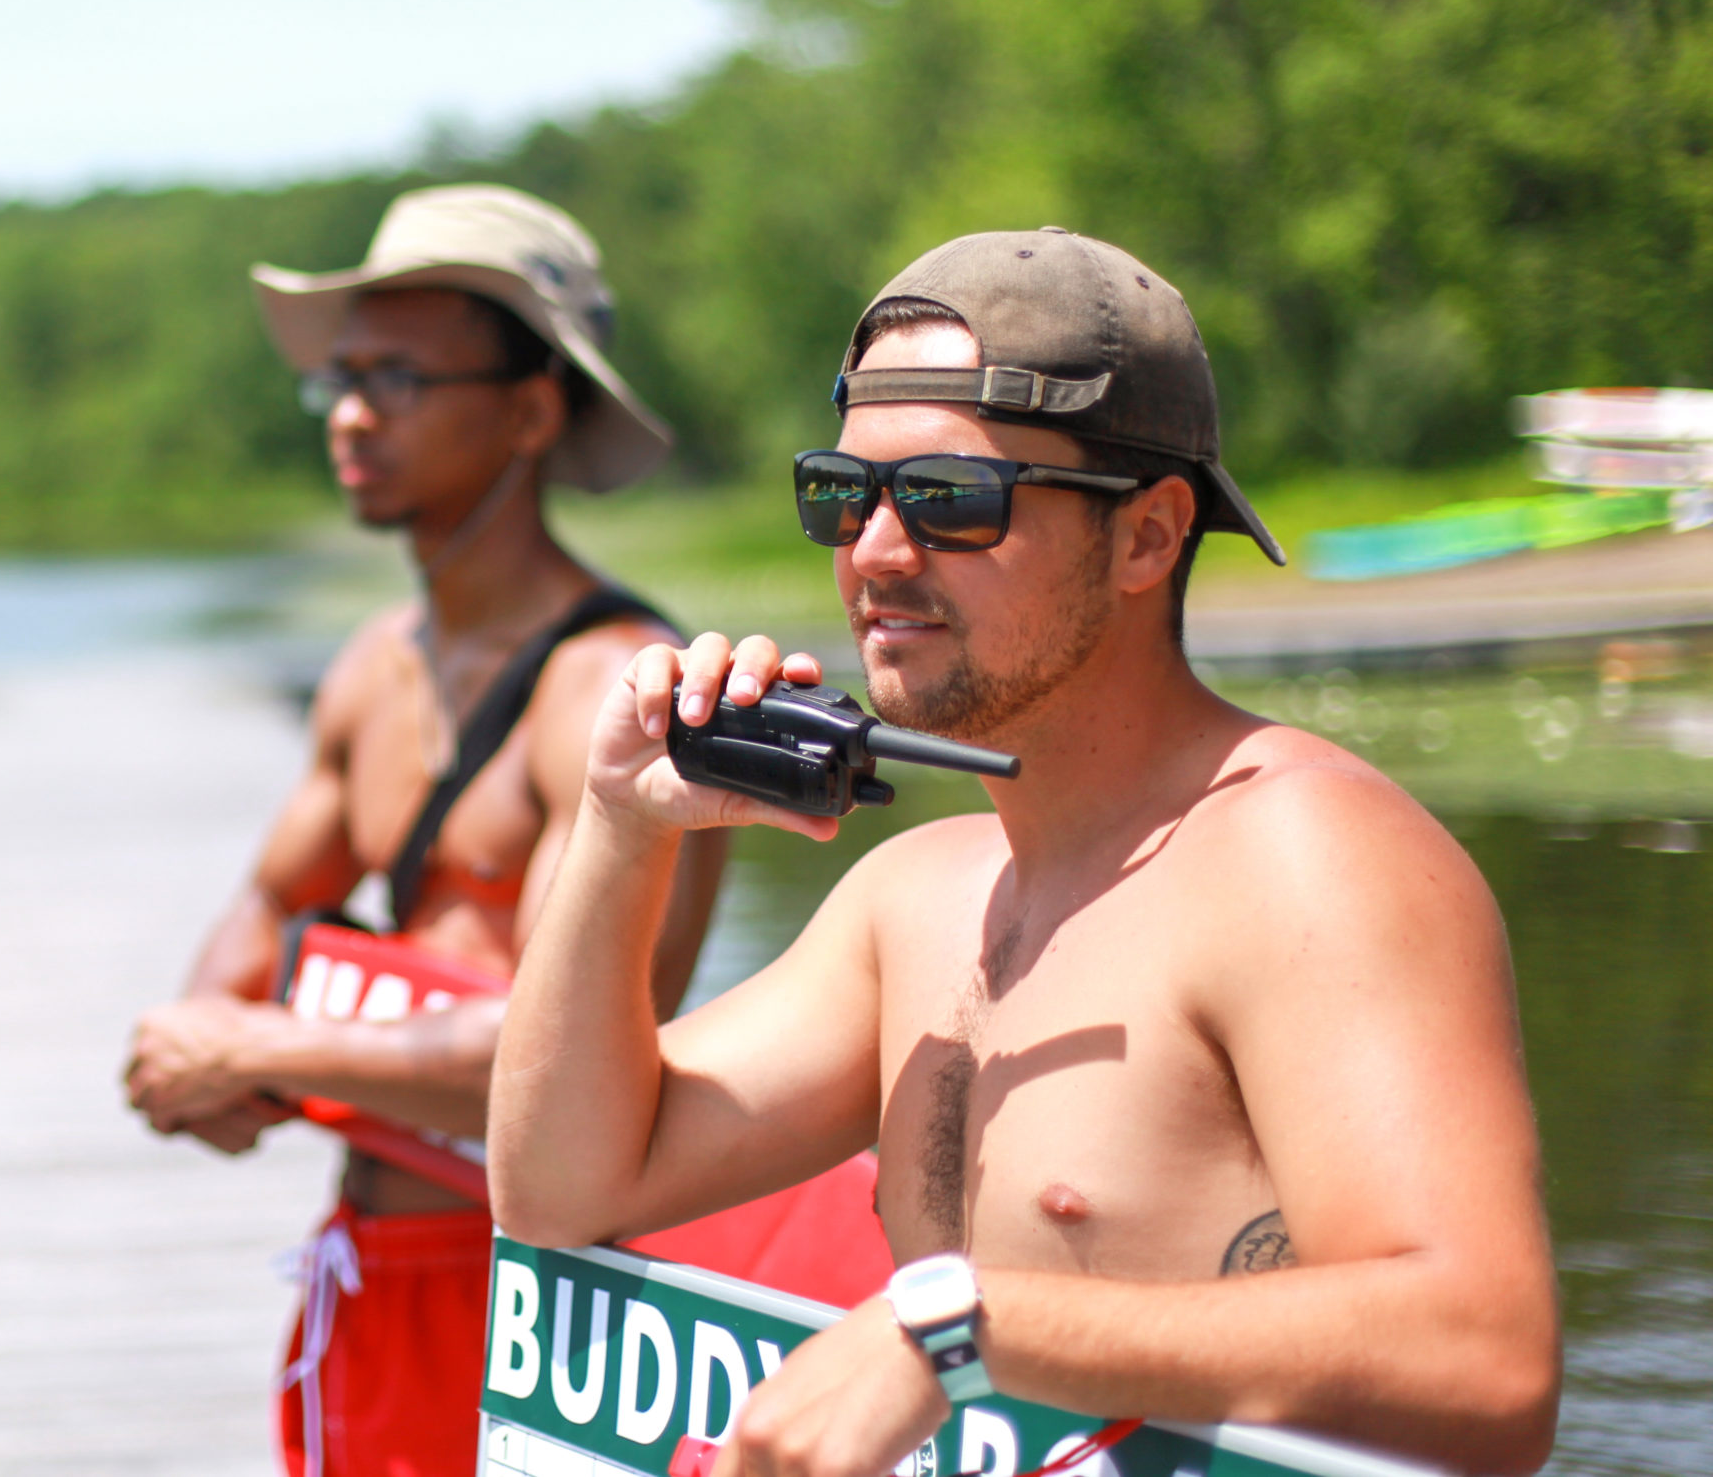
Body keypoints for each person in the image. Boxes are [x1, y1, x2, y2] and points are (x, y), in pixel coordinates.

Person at [489, 228, 1561, 1476]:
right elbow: (561, 1189)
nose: (876, 553)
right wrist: (620, 826)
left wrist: (951, 1327)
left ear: (1150, 537)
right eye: (845, 495)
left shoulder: (1302, 859)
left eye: (950, 500)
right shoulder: (913, 900)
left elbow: (1487, 1358)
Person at [123, 185, 729, 1477]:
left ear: (529, 407)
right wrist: (196, 1048)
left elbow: (581, 1044)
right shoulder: (373, 669)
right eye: (342, 376)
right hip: (371, 1259)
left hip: (557, 1291)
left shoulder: (623, 694)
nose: (350, 411)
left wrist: (265, 1041)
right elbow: (264, 909)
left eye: (397, 376)